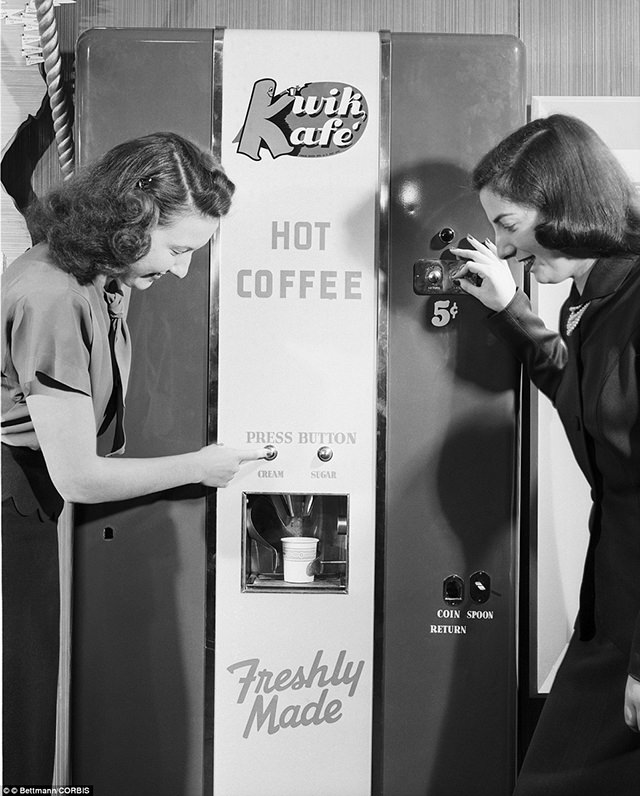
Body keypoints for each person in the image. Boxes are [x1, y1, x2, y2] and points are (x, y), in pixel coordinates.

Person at [1, 131, 268, 787]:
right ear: (128, 220)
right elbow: (81, 474)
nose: (180, 270)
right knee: (21, 721)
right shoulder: (55, 296)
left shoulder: (92, 275)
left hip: (27, 497)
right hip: (14, 499)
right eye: (177, 249)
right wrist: (202, 466)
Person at [450, 113, 640, 794]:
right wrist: (510, 310)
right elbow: (587, 398)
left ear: (563, 206)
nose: (500, 249)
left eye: (508, 225)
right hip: (613, 607)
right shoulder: (588, 301)